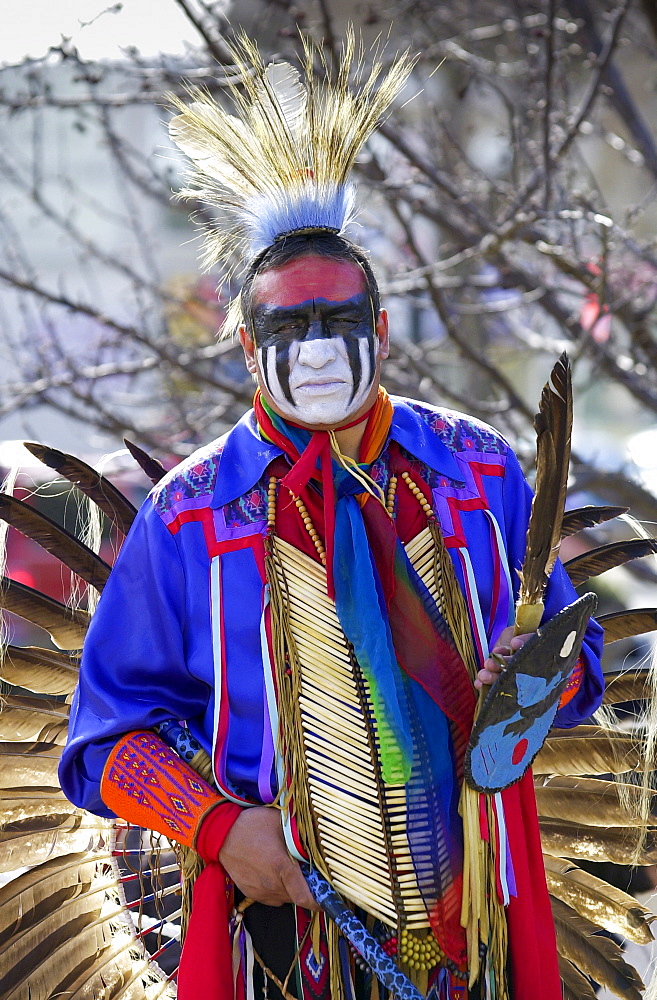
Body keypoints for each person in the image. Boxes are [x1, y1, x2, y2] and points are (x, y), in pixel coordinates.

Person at [58, 34, 604, 1000]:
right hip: (282, 940)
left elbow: (578, 664)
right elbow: (104, 744)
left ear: (381, 331)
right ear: (242, 344)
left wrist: (530, 687)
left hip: (472, 930)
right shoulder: (191, 516)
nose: (315, 351)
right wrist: (219, 828)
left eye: (338, 324)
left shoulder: (473, 474)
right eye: (286, 328)